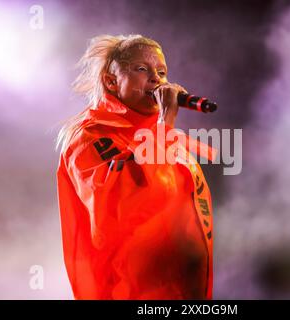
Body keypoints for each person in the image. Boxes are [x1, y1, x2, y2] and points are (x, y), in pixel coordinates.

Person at [55, 34, 214, 299]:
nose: (157, 79)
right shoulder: (90, 138)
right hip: (132, 293)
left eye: (161, 72)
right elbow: (125, 203)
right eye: (142, 69)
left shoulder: (163, 137)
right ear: (111, 81)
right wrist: (165, 124)